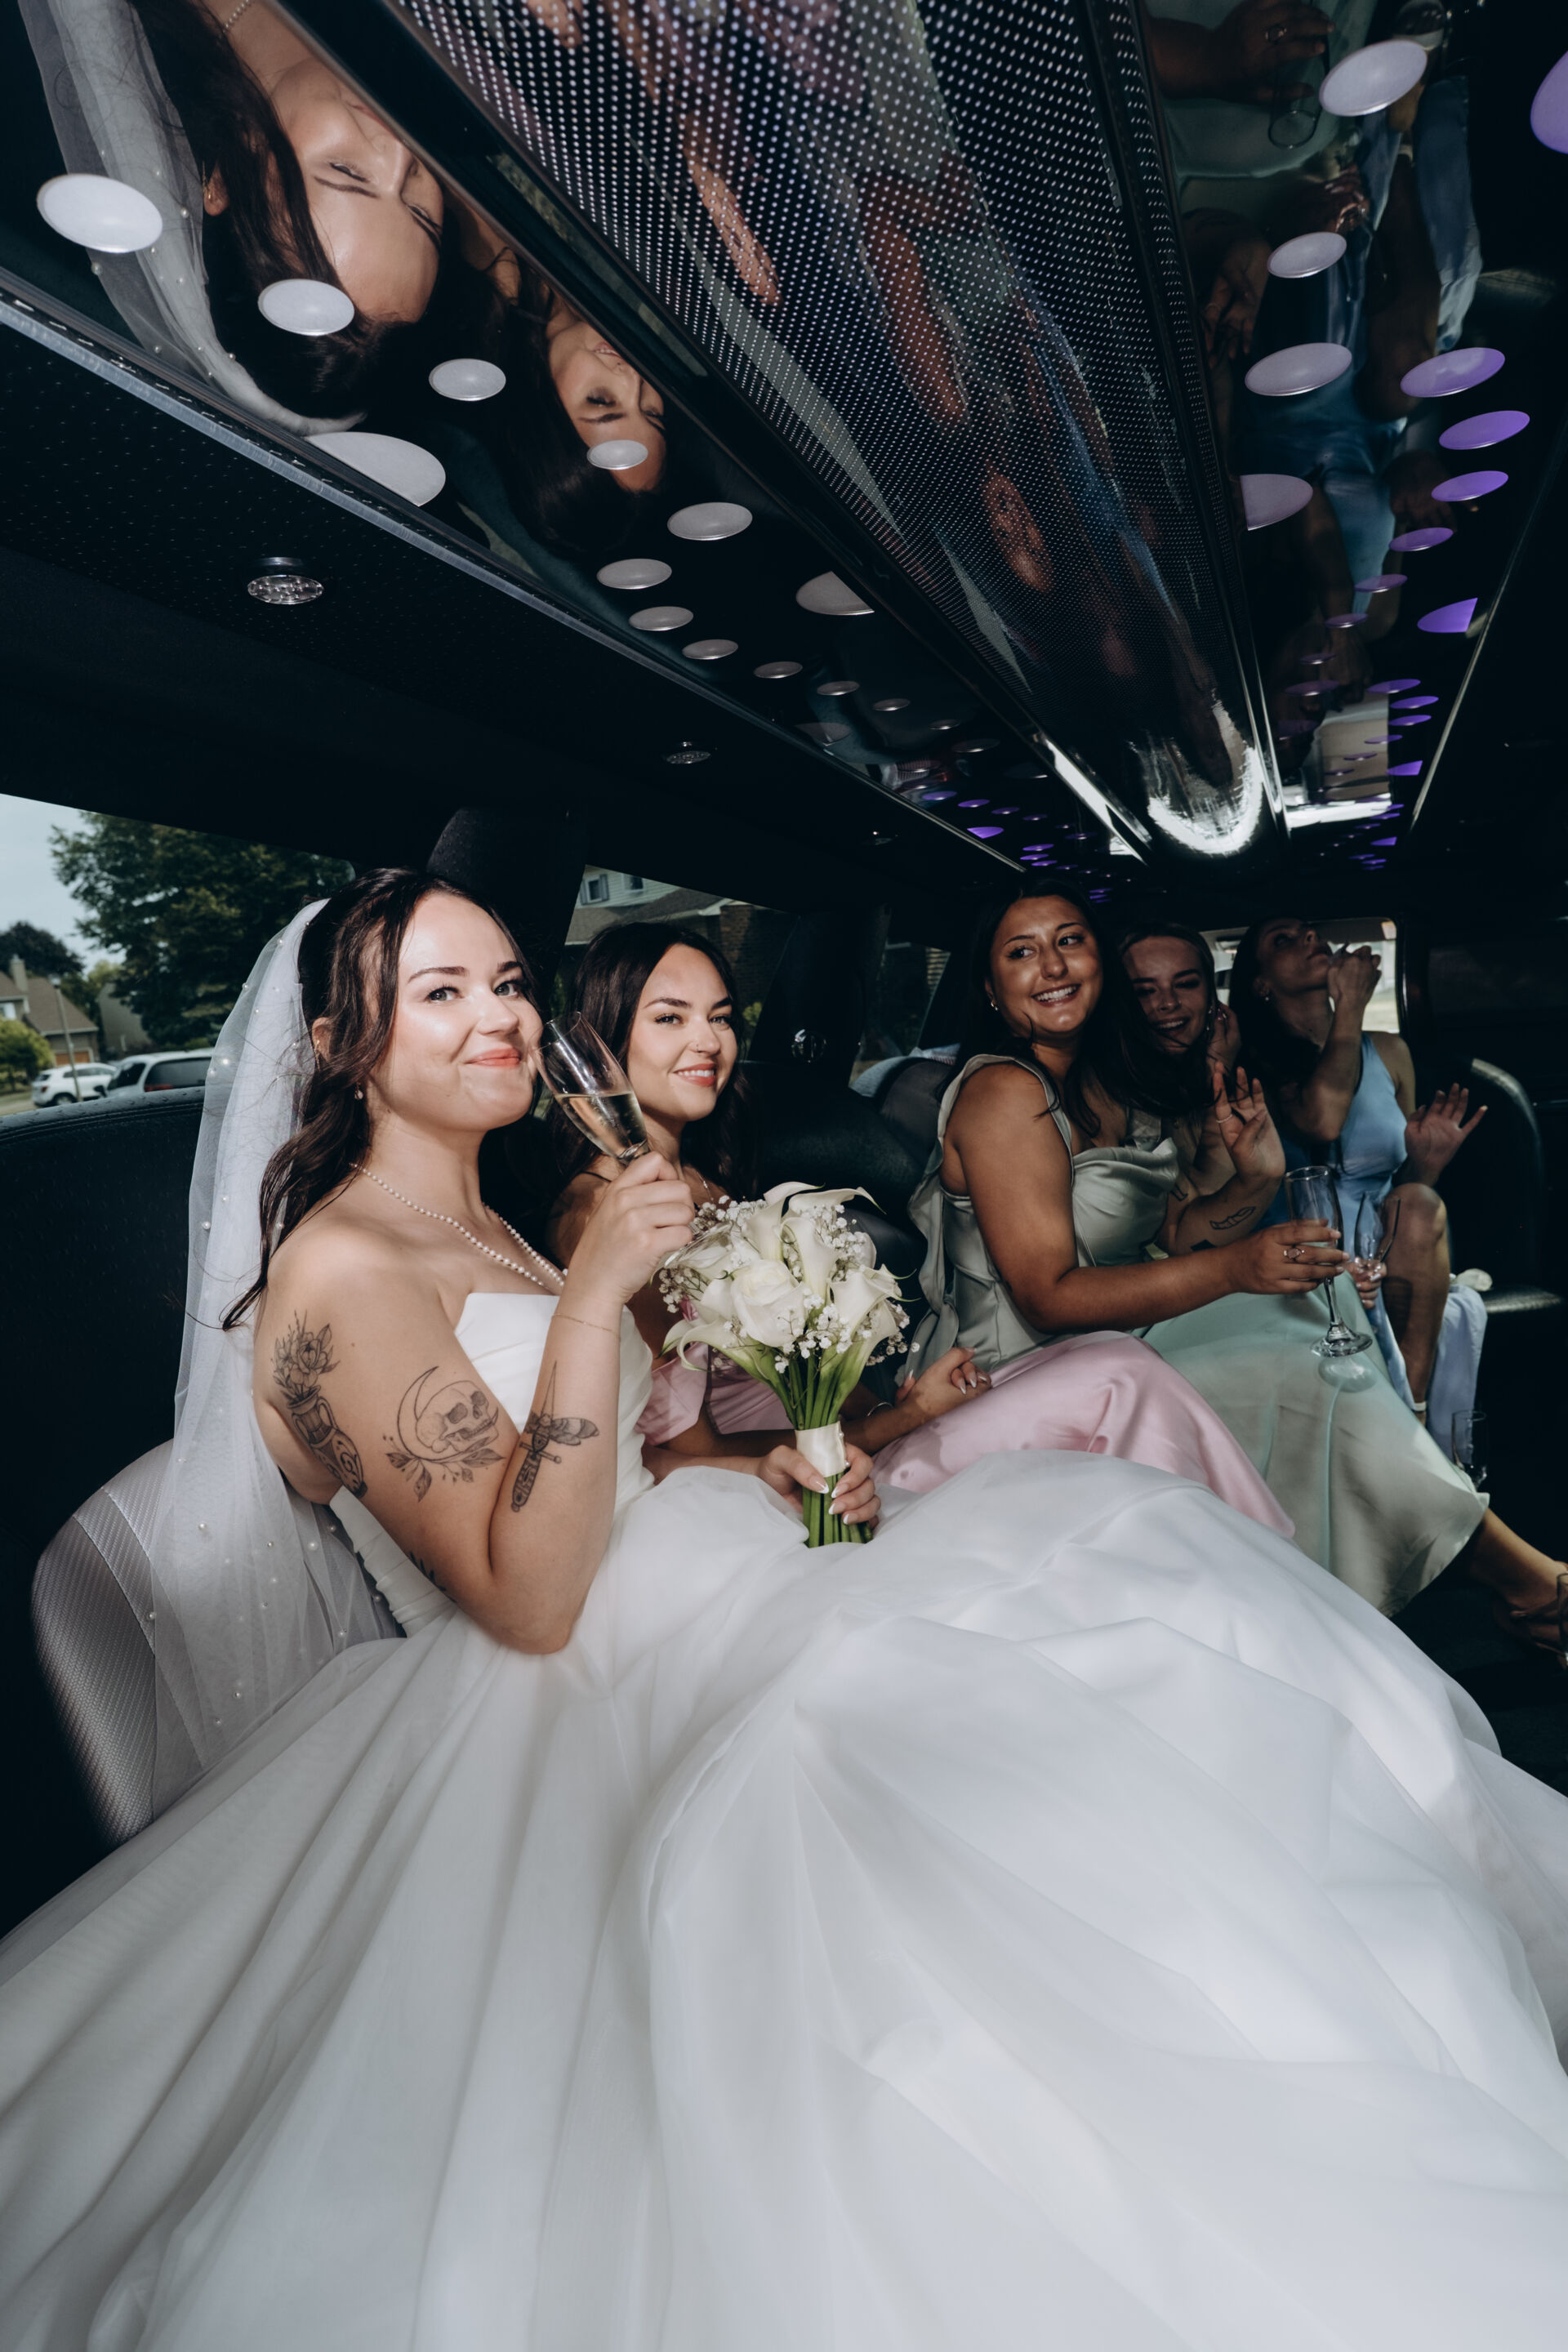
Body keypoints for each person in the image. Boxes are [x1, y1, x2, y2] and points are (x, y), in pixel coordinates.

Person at [9, 871, 1568, 2347]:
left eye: (508, 981)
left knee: (1132, 1582)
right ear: (346, 1043)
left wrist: (749, 1463)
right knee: (939, 1779)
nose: (498, 1016)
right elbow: (531, 1598)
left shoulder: (480, 1225)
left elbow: (620, 1457)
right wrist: (599, 1294)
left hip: (704, 1565)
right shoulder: (345, 1268)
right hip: (577, 1673)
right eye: (441, 992)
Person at [913, 891, 1564, 1641]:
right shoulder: (1004, 1092)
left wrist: (1256, 1178)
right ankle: (1526, 1586)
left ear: (1099, 961)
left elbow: (1178, 1234)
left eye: (1070, 941)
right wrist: (1236, 1268)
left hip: (1113, 1339)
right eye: (1022, 952)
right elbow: (1048, 1298)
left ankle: (1371, 1591)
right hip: (1019, 1368)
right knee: (1293, 1360)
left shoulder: (1106, 1080)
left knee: (1313, 1306)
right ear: (991, 989)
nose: (1053, 966)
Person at [546, 920, 1292, 1527]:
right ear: (604, 1042)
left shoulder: (703, 1179)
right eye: (669, 1018)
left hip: (865, 1430)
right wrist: (897, 1424)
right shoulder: (611, 1217)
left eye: (718, 1017)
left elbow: (799, 1366)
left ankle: (1223, 1568)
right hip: (808, 1482)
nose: (708, 1042)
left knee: (1111, 1359)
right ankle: (1243, 1570)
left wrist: (892, 1402)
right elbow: (686, 1451)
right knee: (1118, 1375)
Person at [20, 0, 448, 427]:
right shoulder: (432, 55)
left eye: (346, 170)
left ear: (224, 180)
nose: (400, 154)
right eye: (420, 211)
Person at [1229, 914, 1486, 1446]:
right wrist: (1349, 1006)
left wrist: (1427, 1159)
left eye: (1311, 931)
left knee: (1420, 1200)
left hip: (1385, 1249)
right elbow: (1321, 1121)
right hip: (1302, 1252)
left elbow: (1408, 1188)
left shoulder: (1390, 1052)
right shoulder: (1253, 1065)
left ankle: (1412, 1418)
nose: (1309, 938)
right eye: (1283, 940)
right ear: (1259, 984)